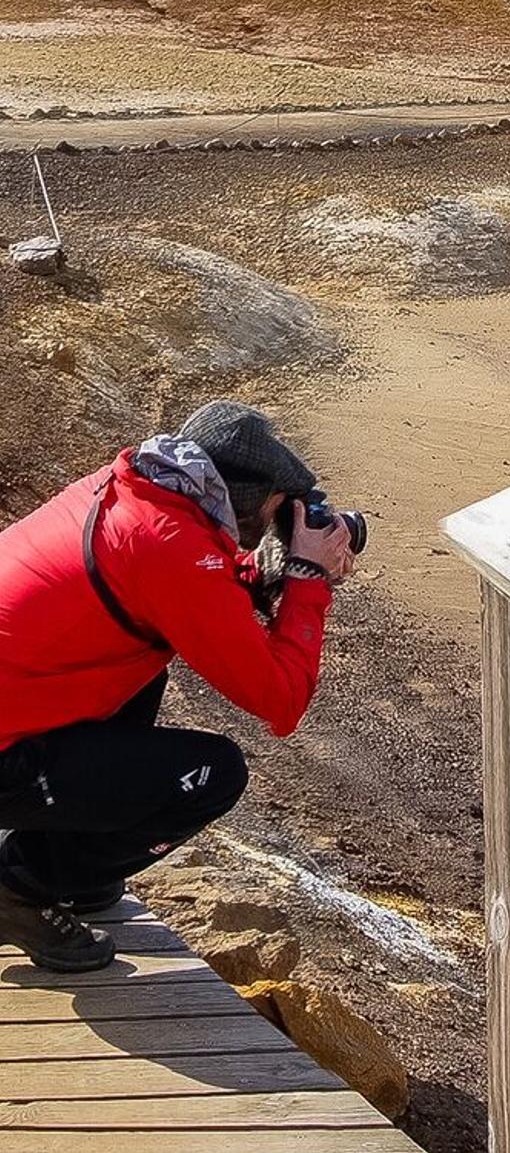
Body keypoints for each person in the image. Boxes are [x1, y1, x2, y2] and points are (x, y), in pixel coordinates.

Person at [0, 403, 353, 971]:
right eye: (274, 507)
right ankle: (18, 885)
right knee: (214, 774)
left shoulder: (136, 491)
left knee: (142, 670)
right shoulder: (172, 549)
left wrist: (259, 572)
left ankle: (64, 864)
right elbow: (281, 702)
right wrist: (308, 580)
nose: (279, 519)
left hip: (16, 707)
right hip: (7, 753)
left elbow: (185, 584)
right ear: (240, 495)